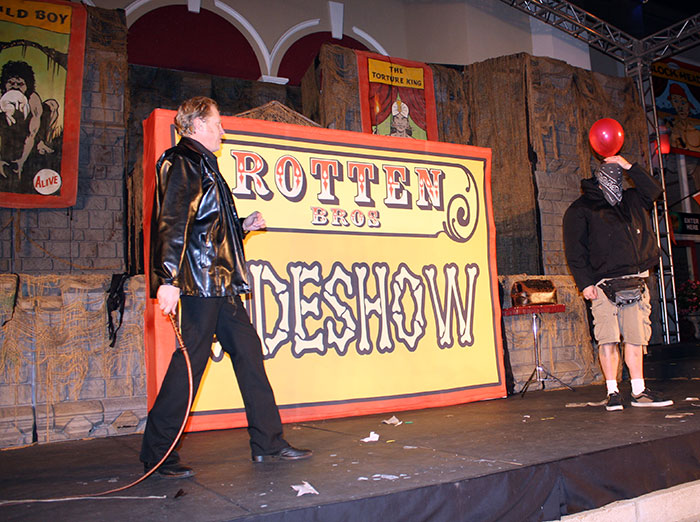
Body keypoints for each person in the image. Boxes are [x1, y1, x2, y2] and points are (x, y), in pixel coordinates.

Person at [141, 96, 312, 479]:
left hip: (222, 283)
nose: (222, 130)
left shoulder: (206, 165)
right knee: (190, 366)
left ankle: (268, 443)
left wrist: (242, 224)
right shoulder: (180, 161)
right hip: (201, 284)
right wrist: (166, 279)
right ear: (198, 124)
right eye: (217, 123)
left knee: (249, 354)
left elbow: (210, 228)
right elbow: (171, 222)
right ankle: (157, 452)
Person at [563, 155, 674, 412]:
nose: (617, 182)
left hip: (635, 278)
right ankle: (612, 391)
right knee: (608, 339)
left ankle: (638, 390)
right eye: (610, 178)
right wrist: (585, 283)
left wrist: (629, 166)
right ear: (599, 181)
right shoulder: (581, 209)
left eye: (619, 177)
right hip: (603, 284)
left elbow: (654, 190)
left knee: (636, 338)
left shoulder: (631, 200)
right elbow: (575, 251)